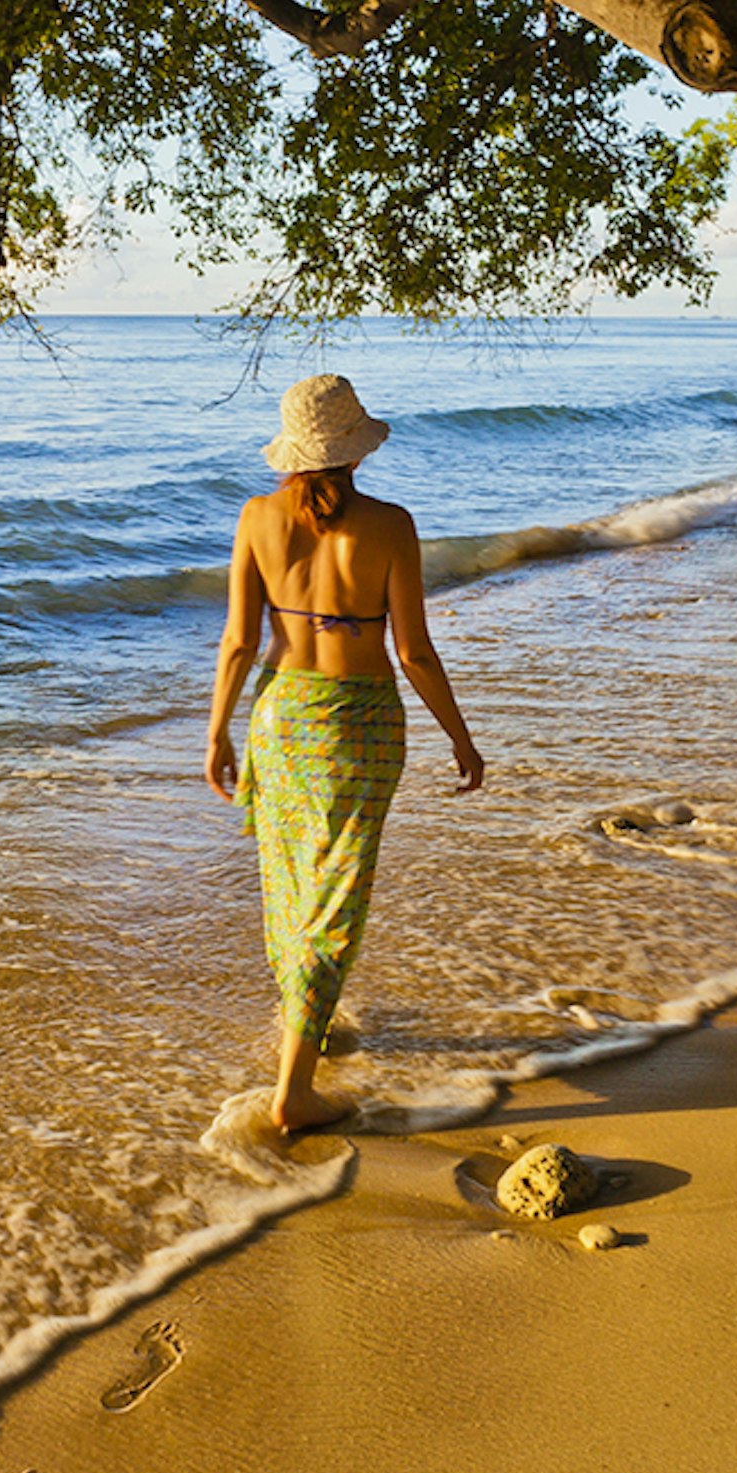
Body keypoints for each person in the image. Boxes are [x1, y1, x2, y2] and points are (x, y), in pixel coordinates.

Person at [205, 372, 485, 1134]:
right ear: (355, 449)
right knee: (336, 891)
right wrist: (460, 736)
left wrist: (219, 731)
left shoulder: (256, 517)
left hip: (280, 714)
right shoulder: (391, 524)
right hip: (359, 721)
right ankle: (293, 1087)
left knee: (292, 879)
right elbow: (415, 651)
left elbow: (238, 642)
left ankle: (311, 1024)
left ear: (292, 452)